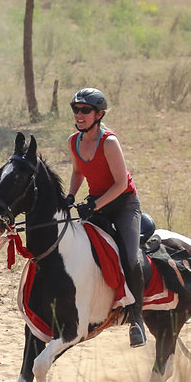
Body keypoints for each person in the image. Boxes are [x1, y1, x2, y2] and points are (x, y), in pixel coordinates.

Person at [67, 87, 147, 348]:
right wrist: (70, 196)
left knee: (131, 258)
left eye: (85, 110)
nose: (79, 115)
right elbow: (78, 172)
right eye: (76, 109)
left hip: (124, 204)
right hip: (98, 204)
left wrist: (95, 204)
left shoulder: (109, 142)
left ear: (99, 114)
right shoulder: (73, 141)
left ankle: (136, 320)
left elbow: (122, 183)